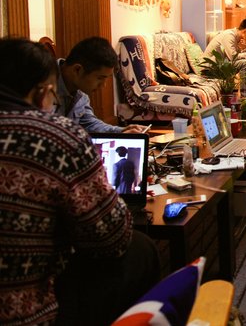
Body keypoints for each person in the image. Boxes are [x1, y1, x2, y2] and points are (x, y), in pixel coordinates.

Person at [0, 38, 159, 326]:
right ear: (42, 93)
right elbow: (111, 237)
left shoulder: (74, 110)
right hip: (28, 308)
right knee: (140, 248)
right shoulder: (59, 136)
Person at [56, 36, 148, 133]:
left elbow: (90, 124)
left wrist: (121, 131)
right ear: (77, 70)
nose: (103, 85)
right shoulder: (46, 84)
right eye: (100, 78)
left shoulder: (80, 90)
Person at [203, 17, 246, 102]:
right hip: (211, 68)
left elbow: (235, 56)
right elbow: (233, 57)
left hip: (223, 64)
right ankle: (245, 99)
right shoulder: (229, 36)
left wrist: (245, 48)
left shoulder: (237, 38)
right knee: (244, 63)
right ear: (245, 31)